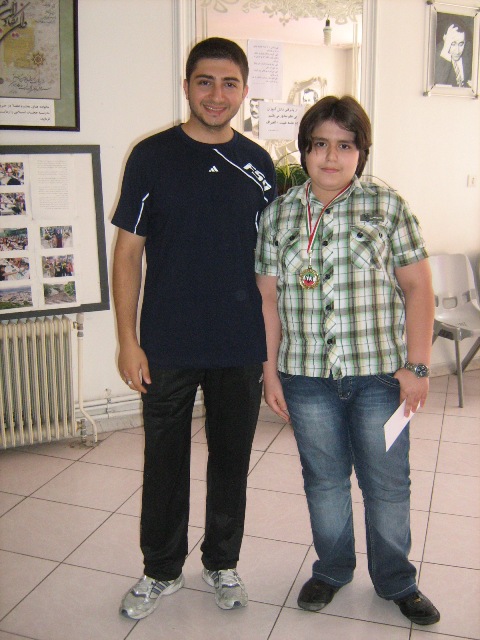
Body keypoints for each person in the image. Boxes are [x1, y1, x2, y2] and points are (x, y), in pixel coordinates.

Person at [255, 95, 441, 626]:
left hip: (380, 378)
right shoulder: (278, 214)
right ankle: (333, 570)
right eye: (320, 145)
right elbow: (267, 300)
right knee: (324, 481)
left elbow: (419, 290)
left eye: (344, 145)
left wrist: (418, 367)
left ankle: (396, 580)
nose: (331, 157)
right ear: (304, 150)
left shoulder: (388, 206)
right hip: (306, 377)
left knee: (387, 484)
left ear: (361, 151)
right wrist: (269, 373)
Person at [111, 37, 276, 621]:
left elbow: (270, 266)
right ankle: (161, 569)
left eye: (229, 83)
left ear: (244, 91)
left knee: (231, 461)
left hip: (238, 341)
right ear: (186, 86)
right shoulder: (151, 156)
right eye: (205, 81)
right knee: (164, 461)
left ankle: (222, 563)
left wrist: (273, 354)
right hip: (167, 342)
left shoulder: (259, 164)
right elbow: (127, 253)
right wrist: (128, 340)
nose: (216, 94)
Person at [435, 21, 472, 87]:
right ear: (445, 40)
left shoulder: (469, 51)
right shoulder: (435, 54)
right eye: (453, 44)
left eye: (461, 44)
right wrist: (445, 50)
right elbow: (439, 85)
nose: (457, 51)